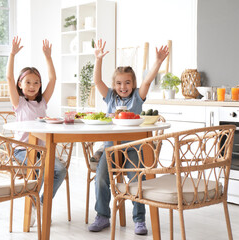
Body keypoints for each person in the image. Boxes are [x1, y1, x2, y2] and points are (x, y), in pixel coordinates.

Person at [88, 39, 169, 235]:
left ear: (133, 84)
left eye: (127, 82)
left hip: (134, 148)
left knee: (135, 180)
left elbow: (148, 80)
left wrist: (157, 62)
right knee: (100, 178)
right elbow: (97, 81)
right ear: (114, 84)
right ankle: (102, 216)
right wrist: (97, 59)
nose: (123, 86)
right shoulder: (109, 96)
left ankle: (139, 220)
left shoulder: (137, 98)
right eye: (118, 83)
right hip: (110, 149)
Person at [6, 36, 67, 225]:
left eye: (36, 83)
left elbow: (53, 78)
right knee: (40, 169)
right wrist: (12, 54)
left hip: (42, 151)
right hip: (22, 150)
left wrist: (48, 57)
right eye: (28, 83)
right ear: (20, 84)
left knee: (60, 170)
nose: (33, 86)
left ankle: (39, 203)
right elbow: (8, 77)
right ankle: (32, 203)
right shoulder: (19, 103)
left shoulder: (43, 102)